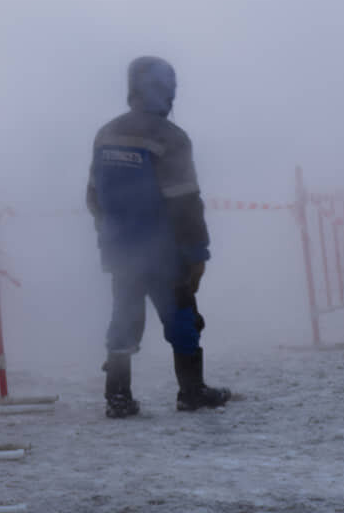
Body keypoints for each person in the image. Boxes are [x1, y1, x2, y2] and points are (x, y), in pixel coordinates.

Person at [86, 56, 230, 418]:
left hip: (121, 248)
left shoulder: (107, 133)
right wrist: (197, 255)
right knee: (181, 317)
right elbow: (185, 202)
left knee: (124, 318)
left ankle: (117, 397)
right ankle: (191, 392)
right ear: (165, 90)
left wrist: (112, 233)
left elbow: (92, 197)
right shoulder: (170, 137)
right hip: (165, 251)